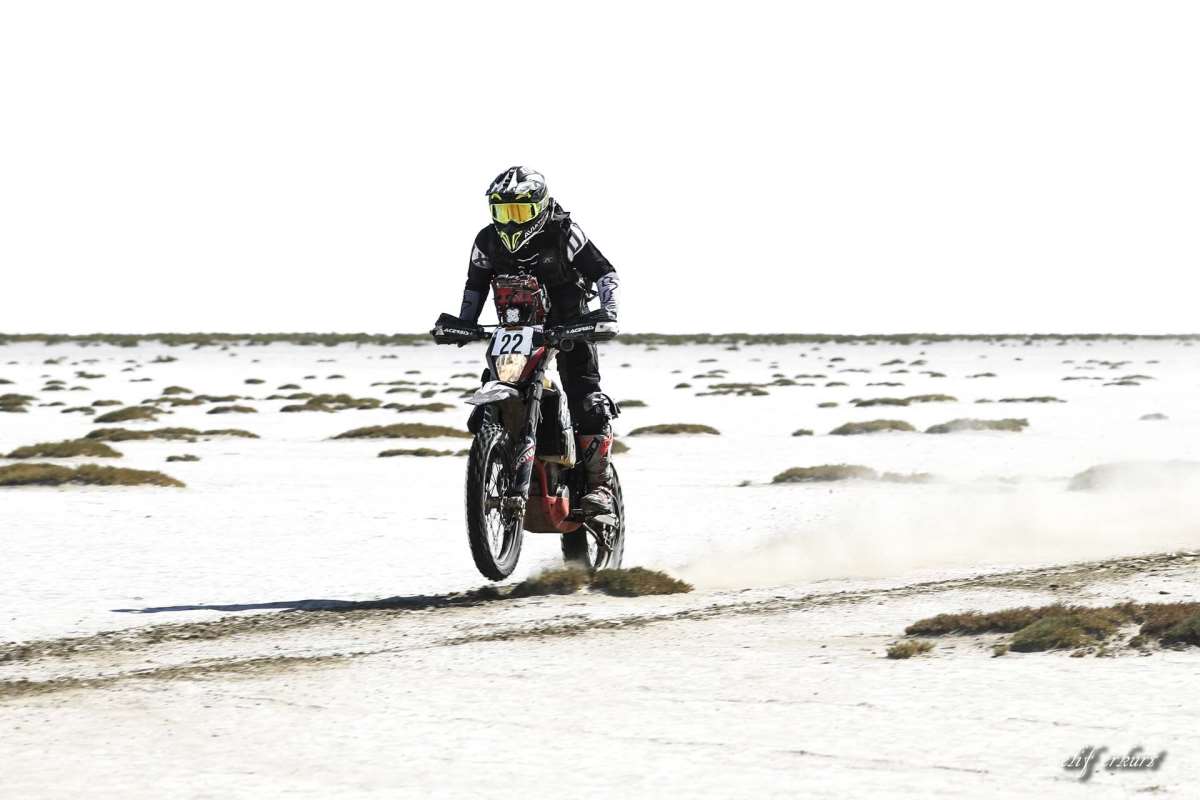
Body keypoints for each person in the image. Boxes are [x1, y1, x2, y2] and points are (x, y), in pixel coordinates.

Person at [454, 166, 620, 515]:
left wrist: (609, 311)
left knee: (586, 399)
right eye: (503, 212)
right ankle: (496, 455)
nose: (511, 222)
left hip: (571, 327)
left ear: (540, 206)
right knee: (493, 388)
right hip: (515, 331)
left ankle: (599, 486)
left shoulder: (564, 233)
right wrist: (464, 323)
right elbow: (475, 284)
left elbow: (603, 271)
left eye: (520, 212)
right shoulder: (487, 240)